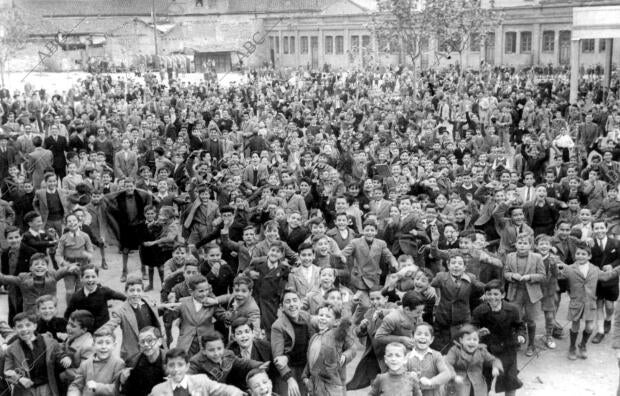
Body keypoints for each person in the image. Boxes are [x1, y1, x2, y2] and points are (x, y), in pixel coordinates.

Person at [557, 241, 620, 360]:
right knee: (575, 326)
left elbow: (607, 276)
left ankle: (583, 345)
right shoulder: (570, 269)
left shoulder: (595, 269)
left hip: (590, 303)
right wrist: (553, 266)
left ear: (589, 256)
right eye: (578, 253)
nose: (580, 256)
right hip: (576, 302)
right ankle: (572, 347)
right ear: (575, 255)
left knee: (590, 327)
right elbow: (558, 275)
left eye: (584, 254)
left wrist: (618, 269)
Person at [472, 280, 526, 396]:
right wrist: (477, 333)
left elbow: (520, 326)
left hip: (508, 350)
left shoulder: (513, 309)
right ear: (485, 295)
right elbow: (472, 329)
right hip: (487, 351)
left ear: (503, 295)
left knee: (510, 381)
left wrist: (521, 335)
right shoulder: (479, 311)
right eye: (489, 294)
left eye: (496, 294)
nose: (492, 297)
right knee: (486, 380)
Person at [4, 312, 70, 396]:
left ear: (35, 326)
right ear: (14, 329)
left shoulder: (50, 342)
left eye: (28, 325)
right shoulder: (11, 349)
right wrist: (19, 379)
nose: (24, 329)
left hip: (46, 387)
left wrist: (64, 357)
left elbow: (59, 354)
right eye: (19, 326)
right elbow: (7, 372)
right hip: (24, 390)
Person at [99, 274, 163, 360]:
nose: (135, 294)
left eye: (138, 290)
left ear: (142, 292)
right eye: (132, 290)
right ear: (126, 292)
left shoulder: (146, 300)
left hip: (152, 346)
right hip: (135, 352)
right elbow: (111, 324)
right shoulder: (120, 311)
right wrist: (100, 334)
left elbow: (155, 309)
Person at [302, 303, 355, 396]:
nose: (323, 318)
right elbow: (310, 359)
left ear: (336, 322)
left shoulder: (336, 335)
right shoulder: (314, 337)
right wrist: (305, 377)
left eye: (327, 316)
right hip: (314, 385)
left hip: (331, 385)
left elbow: (352, 348)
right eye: (321, 315)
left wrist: (345, 356)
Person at [149, 348, 245, 396]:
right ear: (166, 367)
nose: (176, 369)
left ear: (187, 366)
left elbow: (224, 389)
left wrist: (239, 394)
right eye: (171, 365)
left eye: (180, 365)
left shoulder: (201, 381)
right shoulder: (158, 391)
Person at [187, 330, 267, 385]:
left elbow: (243, 363)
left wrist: (260, 365)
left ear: (224, 347)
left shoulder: (228, 354)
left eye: (219, 348)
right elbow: (187, 379)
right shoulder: (196, 362)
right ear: (204, 350)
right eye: (211, 350)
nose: (216, 353)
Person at [444, 325, 503, 396]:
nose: (472, 342)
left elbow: (493, 360)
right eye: (468, 339)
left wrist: (495, 367)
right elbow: (447, 363)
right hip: (459, 384)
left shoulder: (481, 351)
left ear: (478, 341)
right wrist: (454, 376)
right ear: (461, 340)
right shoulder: (455, 350)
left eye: (475, 339)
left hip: (478, 385)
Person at [64, 264, 127, 329]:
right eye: (87, 277)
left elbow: (119, 296)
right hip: (86, 330)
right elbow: (68, 313)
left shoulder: (104, 291)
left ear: (97, 278)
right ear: (81, 278)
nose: (90, 280)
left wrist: (129, 303)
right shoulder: (77, 296)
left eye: (93, 277)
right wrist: (69, 327)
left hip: (104, 329)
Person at [66, 328, 125, 396]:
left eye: (108, 343)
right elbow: (76, 385)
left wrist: (97, 386)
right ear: (93, 345)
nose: (103, 347)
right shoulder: (85, 364)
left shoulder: (119, 364)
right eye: (99, 343)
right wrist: (73, 393)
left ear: (114, 345)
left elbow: (118, 389)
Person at [405, 322, 453, 396]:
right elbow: (400, 376)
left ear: (431, 339)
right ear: (412, 337)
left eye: (426, 335)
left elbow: (446, 374)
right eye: (419, 334)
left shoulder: (436, 355)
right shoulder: (407, 357)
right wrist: (409, 376)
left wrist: (430, 381)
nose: (422, 337)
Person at [121, 326, 166, 396]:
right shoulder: (133, 363)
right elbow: (126, 392)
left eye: (150, 340)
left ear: (159, 341)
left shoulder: (171, 360)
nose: (146, 345)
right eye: (142, 342)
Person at [58, 310, 95, 389]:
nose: (68, 328)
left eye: (73, 326)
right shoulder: (74, 336)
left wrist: (63, 374)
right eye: (68, 323)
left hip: (79, 386)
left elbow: (83, 373)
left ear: (84, 330)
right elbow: (63, 347)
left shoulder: (88, 346)